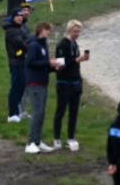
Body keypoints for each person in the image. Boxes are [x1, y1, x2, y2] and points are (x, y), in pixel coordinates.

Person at [52, 19, 89, 151]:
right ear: (69, 31)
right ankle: (56, 138)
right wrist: (76, 60)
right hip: (64, 82)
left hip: (75, 82)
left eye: (79, 31)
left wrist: (80, 61)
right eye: (75, 31)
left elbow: (75, 64)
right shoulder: (62, 45)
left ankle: (71, 137)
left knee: (74, 112)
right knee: (60, 111)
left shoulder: (75, 45)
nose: (77, 34)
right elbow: (60, 64)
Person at [24, 21, 58, 153]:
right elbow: (31, 63)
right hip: (34, 83)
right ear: (40, 30)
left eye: (49, 30)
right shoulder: (33, 45)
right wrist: (48, 62)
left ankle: (37, 141)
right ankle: (30, 143)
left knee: (41, 113)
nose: (49, 32)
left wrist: (54, 68)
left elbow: (43, 65)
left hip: (43, 82)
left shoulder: (43, 46)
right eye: (46, 30)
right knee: (37, 112)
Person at [4, 8, 28, 123]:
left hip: (22, 61)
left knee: (22, 86)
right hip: (15, 62)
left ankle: (17, 110)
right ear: (13, 17)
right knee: (15, 87)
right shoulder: (11, 30)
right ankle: (12, 114)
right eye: (17, 16)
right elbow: (21, 43)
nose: (20, 18)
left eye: (21, 16)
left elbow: (27, 40)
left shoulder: (20, 29)